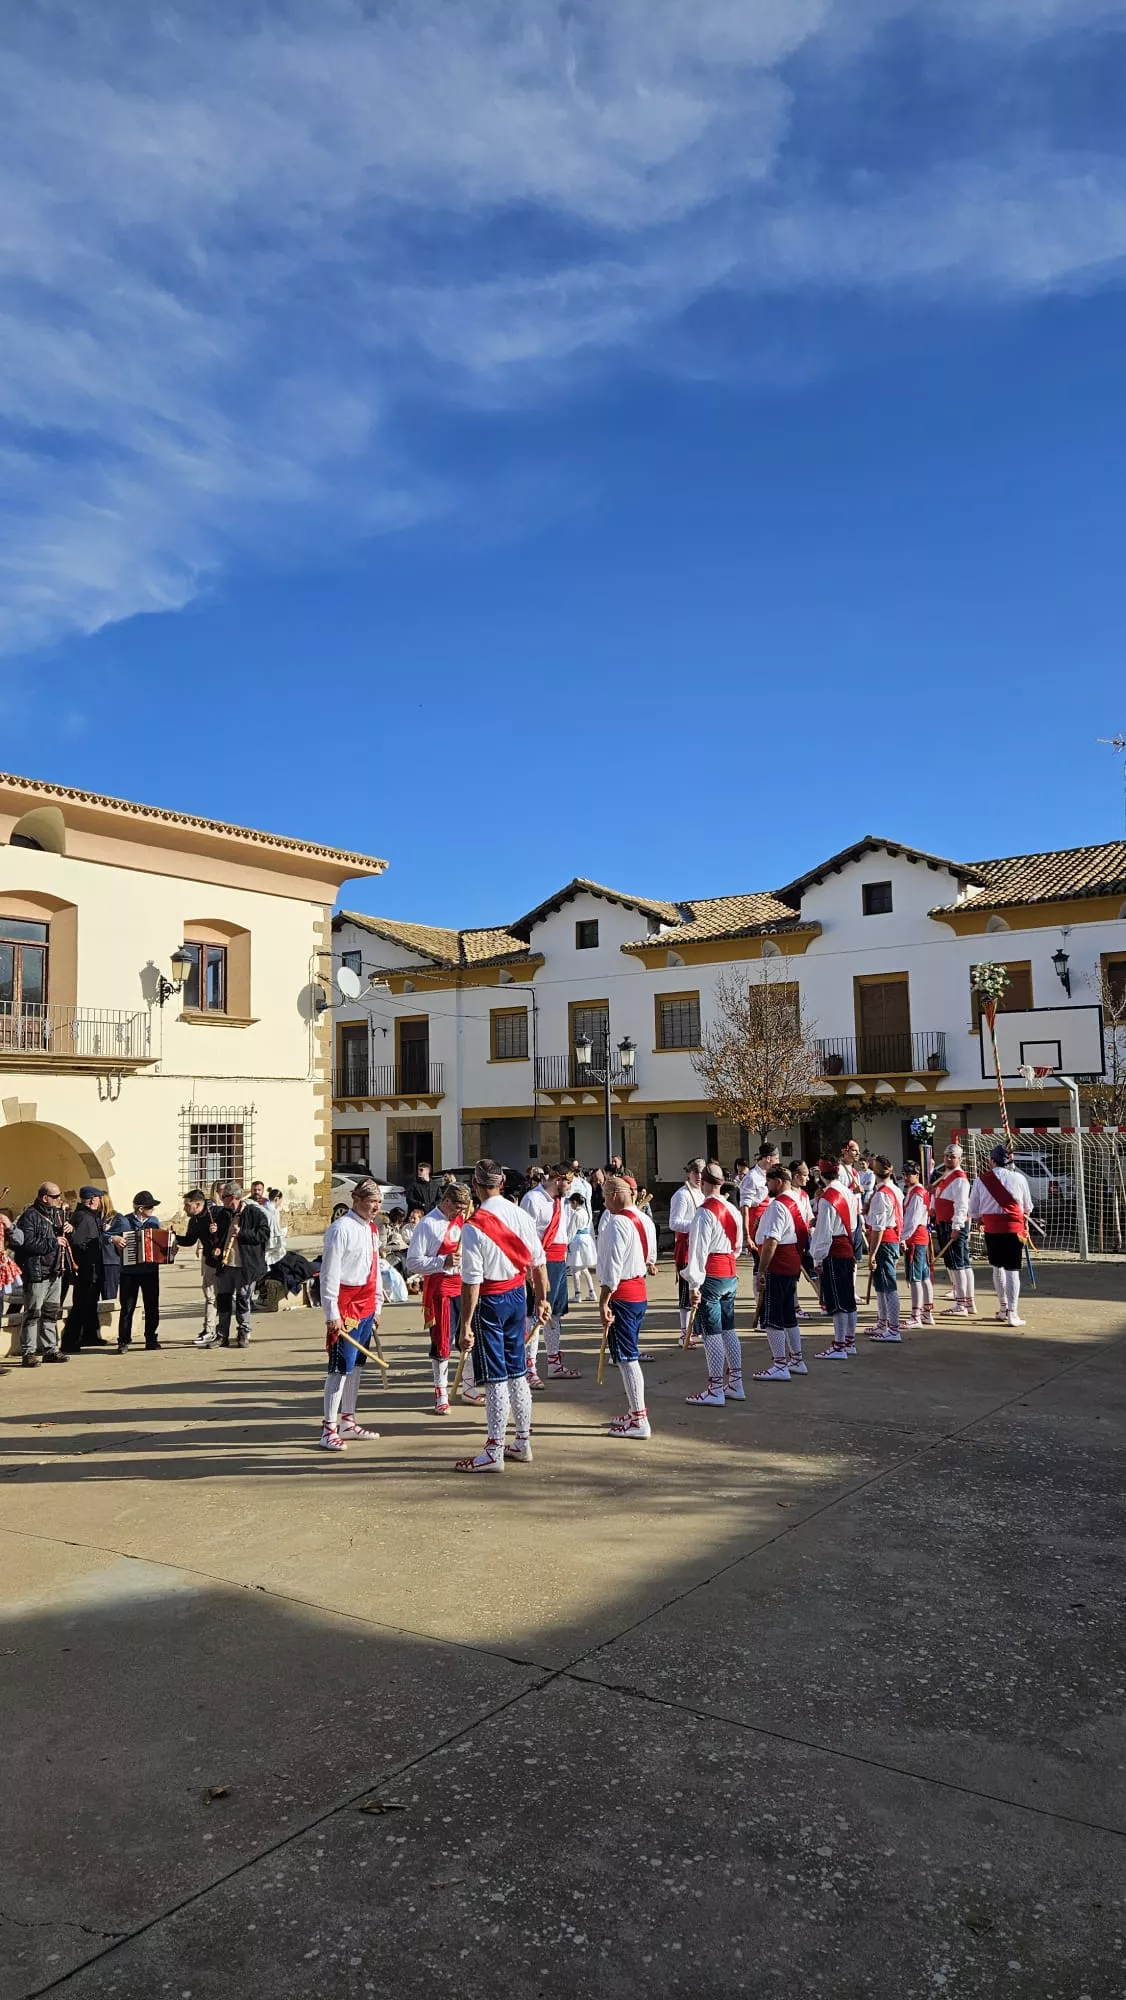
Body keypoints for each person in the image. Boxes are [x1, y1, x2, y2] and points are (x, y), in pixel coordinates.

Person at [456, 1158, 549, 1473]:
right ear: (502, 1184)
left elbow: (472, 1281)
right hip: (518, 1296)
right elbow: (538, 1261)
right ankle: (522, 1440)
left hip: (492, 1301)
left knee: (496, 1377)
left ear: (475, 1186)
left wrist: (465, 1323)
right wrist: (541, 1299)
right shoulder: (520, 1214)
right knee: (517, 1371)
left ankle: (494, 1449)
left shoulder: (474, 1225)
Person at [320, 1177, 384, 1450]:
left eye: (379, 1202)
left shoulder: (371, 1229)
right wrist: (331, 1312)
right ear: (357, 1200)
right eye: (372, 1202)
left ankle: (348, 1419)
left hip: (366, 1302)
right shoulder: (340, 1229)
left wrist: (378, 1303)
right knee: (339, 1367)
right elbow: (329, 1275)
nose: (376, 1208)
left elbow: (376, 1267)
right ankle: (328, 1428)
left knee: (357, 1365)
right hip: (345, 1305)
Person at [597, 1174, 657, 1439]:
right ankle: (634, 1413)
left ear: (613, 1195)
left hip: (623, 1293)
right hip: (638, 1291)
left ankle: (639, 1419)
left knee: (626, 1358)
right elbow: (651, 1256)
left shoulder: (616, 1223)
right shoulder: (644, 1219)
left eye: (604, 1197)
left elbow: (612, 1265)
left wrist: (603, 1300)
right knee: (626, 1355)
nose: (604, 1203)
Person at [407, 1181, 474, 1414]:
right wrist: (441, 1262)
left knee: (468, 1337)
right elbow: (413, 1261)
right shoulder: (428, 1224)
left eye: (465, 1207)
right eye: (458, 1206)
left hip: (464, 1285)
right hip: (441, 1288)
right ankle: (441, 1393)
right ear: (446, 1201)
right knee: (442, 1340)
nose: (461, 1212)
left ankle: (468, 1386)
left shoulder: (464, 1221)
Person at [683, 1160, 743, 1407]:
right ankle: (736, 1382)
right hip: (730, 1273)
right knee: (729, 1328)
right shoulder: (734, 1211)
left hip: (711, 1275)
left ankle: (715, 1388)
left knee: (712, 1331)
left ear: (705, 1183)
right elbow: (737, 1247)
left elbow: (697, 1250)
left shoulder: (704, 1212)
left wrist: (693, 1285)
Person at [520, 1162, 579, 1380]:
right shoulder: (533, 1199)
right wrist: (529, 1267)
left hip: (558, 1261)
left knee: (554, 1313)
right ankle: (529, 1368)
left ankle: (554, 1363)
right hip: (539, 1261)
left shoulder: (560, 1201)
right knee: (535, 1314)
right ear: (558, 1180)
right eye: (568, 1182)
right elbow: (525, 1235)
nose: (570, 1187)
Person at [753, 1163, 809, 1381]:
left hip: (778, 1264)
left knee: (772, 1317)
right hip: (790, 1262)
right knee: (787, 1315)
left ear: (778, 1181)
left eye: (769, 1181)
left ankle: (779, 1364)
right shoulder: (794, 1201)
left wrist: (761, 1270)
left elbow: (771, 1241)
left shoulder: (778, 1206)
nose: (767, 1185)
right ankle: (797, 1359)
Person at [969, 1143, 1034, 1328]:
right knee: (1012, 1270)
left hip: (992, 1230)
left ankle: (1003, 1307)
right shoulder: (1019, 1178)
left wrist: (982, 1218)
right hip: (1014, 1229)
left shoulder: (981, 1180)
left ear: (992, 1160)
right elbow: (1028, 1207)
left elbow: (973, 1210)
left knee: (997, 1268)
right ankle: (1012, 1312)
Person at [14, 1182, 72, 1367]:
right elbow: (27, 1243)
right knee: (32, 1313)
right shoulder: (29, 1216)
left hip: (55, 1270)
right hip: (37, 1272)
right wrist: (54, 1242)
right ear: (44, 1197)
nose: (59, 1199)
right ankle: (28, 1352)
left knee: (51, 1313)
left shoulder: (57, 1214)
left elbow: (61, 1239)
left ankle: (50, 1350)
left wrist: (69, 1229)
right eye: (55, 1196)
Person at [210, 1182, 272, 1348]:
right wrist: (215, 1244)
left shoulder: (254, 1213)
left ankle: (243, 1332)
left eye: (223, 1197)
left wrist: (243, 1233)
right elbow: (219, 1239)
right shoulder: (224, 1215)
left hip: (245, 1265)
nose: (221, 1201)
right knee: (223, 1299)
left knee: (243, 1299)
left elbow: (264, 1234)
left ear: (232, 1198)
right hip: (226, 1265)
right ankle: (222, 1334)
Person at [810, 1155, 860, 1360]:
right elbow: (854, 1223)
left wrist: (817, 1257)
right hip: (847, 1246)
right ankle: (849, 1341)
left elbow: (824, 1231)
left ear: (821, 1174)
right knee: (848, 1297)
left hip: (833, 1249)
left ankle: (839, 1345)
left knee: (837, 1301)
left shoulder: (828, 1198)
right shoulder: (847, 1192)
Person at [111, 1192, 169, 1352]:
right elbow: (106, 1236)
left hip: (150, 1270)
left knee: (152, 1305)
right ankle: (123, 1341)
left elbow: (159, 1242)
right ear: (141, 1208)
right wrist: (115, 1239)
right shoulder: (124, 1221)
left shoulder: (154, 1222)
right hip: (129, 1271)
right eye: (150, 1207)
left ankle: (151, 1339)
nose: (153, 1210)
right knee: (127, 1307)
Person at [60, 1187, 111, 1351]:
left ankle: (89, 1336)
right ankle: (70, 1342)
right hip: (87, 1269)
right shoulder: (84, 1217)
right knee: (81, 1305)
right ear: (93, 1200)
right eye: (98, 1198)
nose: (100, 1201)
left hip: (92, 1268)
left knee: (90, 1304)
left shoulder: (89, 1216)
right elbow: (78, 1242)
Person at [176, 1190, 225, 1347]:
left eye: (187, 1205)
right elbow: (190, 1240)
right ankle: (210, 1329)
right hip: (210, 1261)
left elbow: (231, 1231)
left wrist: (218, 1232)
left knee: (226, 1297)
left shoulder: (218, 1213)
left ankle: (230, 1330)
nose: (184, 1208)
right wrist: (174, 1237)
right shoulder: (194, 1221)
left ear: (197, 1205)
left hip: (226, 1261)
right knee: (211, 1295)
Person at [933, 1144, 976, 1317]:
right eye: (946, 1156)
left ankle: (962, 1303)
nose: (948, 1159)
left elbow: (961, 1205)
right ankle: (967, 1301)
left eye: (952, 1156)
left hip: (953, 1224)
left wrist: (957, 1226)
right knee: (955, 1263)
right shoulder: (946, 1175)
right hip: (943, 1221)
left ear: (959, 1158)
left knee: (960, 1264)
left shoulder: (959, 1179)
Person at [866, 1158, 903, 1342]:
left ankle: (894, 1328)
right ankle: (883, 1322)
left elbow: (879, 1227)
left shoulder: (882, 1195)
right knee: (880, 1285)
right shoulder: (894, 1190)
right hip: (891, 1238)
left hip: (885, 1241)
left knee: (888, 1285)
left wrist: (872, 1253)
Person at [669, 1157, 705, 1344]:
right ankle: (685, 1332)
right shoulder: (682, 1195)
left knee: (700, 1290)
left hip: (701, 1247)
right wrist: (697, 1225)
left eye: (702, 1172)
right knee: (686, 1291)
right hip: (686, 1248)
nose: (699, 1176)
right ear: (689, 1173)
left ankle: (696, 1328)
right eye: (696, 1172)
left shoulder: (703, 1193)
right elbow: (674, 1222)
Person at [901, 1163, 935, 1329]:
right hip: (919, 1237)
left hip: (915, 1237)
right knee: (923, 1276)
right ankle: (926, 1312)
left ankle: (916, 1315)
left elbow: (911, 1220)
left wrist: (903, 1237)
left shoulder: (917, 1194)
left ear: (917, 1174)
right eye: (905, 1174)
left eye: (910, 1174)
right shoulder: (915, 1192)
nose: (907, 1177)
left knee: (916, 1278)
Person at [739, 1145, 777, 1254]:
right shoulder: (751, 1177)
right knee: (760, 1262)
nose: (778, 1161)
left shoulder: (771, 1175)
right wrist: (747, 1236)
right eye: (776, 1158)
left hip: (770, 1223)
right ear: (768, 1158)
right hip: (756, 1226)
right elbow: (744, 1208)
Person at [566, 1189, 597, 1302]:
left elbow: (571, 1230)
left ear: (574, 1202)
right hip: (586, 1239)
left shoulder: (576, 1214)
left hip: (578, 1240)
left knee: (575, 1269)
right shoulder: (585, 1212)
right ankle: (592, 1292)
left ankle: (578, 1294)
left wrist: (567, 1242)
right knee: (584, 1268)